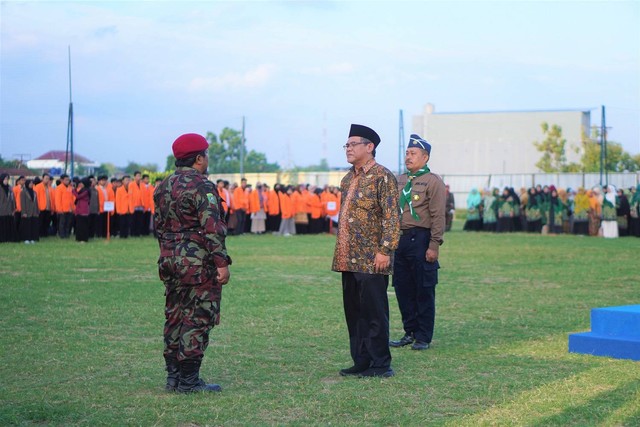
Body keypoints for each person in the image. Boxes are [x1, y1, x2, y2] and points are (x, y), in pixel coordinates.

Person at [154, 133, 232, 393]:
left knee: (174, 316)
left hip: (169, 259)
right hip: (197, 262)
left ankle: (173, 378)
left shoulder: (163, 186)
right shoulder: (202, 185)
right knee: (197, 317)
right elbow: (212, 228)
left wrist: (168, 253)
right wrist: (221, 262)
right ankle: (189, 382)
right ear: (199, 158)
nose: (207, 159)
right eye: (206, 155)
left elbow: (158, 227)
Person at [332, 124, 400, 378]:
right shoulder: (348, 178)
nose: (348, 149)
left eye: (352, 144)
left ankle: (380, 363)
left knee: (374, 312)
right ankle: (360, 359)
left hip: (373, 258)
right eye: (346, 145)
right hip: (347, 257)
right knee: (355, 313)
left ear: (369, 147)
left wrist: (385, 250)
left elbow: (392, 217)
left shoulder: (383, 176)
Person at [390, 134, 445, 352]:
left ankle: (423, 336)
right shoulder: (400, 180)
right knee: (403, 288)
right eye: (407, 153)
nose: (408, 157)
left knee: (423, 289)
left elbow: (438, 215)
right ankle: (409, 331)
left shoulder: (433, 181)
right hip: (400, 240)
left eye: (413, 153)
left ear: (425, 156)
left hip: (421, 239)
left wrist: (434, 245)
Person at [19, 179, 40, 243]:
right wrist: (24, 212)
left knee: (33, 225)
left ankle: (32, 238)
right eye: (30, 183)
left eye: (32, 183)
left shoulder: (34, 192)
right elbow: (23, 203)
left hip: (34, 212)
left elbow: (36, 202)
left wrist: (37, 211)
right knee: (26, 226)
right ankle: (26, 239)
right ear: (27, 184)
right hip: (27, 212)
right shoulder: (23, 192)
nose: (31, 184)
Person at [0, 173, 17, 242]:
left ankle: (9, 238)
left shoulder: (10, 188)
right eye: (5, 179)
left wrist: (13, 208)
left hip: (9, 210)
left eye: (7, 179)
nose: (6, 181)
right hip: (1, 210)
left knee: (9, 225)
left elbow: (13, 199)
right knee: (2, 225)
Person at [73, 178, 91, 243]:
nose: (80, 184)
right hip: (79, 209)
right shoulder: (82, 190)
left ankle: (84, 238)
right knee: (79, 225)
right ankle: (79, 238)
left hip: (84, 210)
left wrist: (74, 191)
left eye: (82, 183)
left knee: (83, 225)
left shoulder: (86, 191)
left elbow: (78, 196)